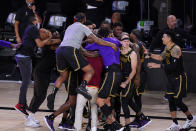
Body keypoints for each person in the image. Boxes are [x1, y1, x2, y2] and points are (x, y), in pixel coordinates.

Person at [43, 12, 118, 131]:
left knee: (69, 95)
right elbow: (96, 41)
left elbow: (83, 51)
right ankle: (81, 89)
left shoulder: (69, 29)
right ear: (84, 20)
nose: (91, 31)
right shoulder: (82, 28)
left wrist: (93, 52)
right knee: (89, 71)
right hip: (73, 70)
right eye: (90, 29)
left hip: (61, 53)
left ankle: (54, 94)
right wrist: (110, 45)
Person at [146, 30, 196, 131]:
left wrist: (157, 66)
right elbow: (160, 57)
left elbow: (174, 66)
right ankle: (175, 124)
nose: (162, 38)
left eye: (163, 37)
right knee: (171, 101)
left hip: (179, 78)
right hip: (170, 78)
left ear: (169, 38)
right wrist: (149, 54)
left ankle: (191, 118)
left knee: (178, 101)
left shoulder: (175, 49)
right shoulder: (167, 47)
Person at [14, 17, 61, 118]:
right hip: (41, 72)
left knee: (39, 95)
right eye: (44, 31)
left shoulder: (50, 42)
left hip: (45, 72)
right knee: (40, 95)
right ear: (42, 36)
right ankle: (30, 115)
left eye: (47, 30)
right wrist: (58, 38)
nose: (46, 31)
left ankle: (30, 115)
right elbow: (55, 42)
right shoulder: (48, 43)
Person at [85, 27, 124, 131]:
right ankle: (110, 124)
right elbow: (121, 43)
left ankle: (116, 125)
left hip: (111, 73)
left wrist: (89, 40)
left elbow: (86, 49)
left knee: (99, 100)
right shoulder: (115, 40)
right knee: (107, 100)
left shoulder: (99, 42)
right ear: (109, 33)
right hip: (118, 73)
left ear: (99, 36)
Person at [119, 36, 151, 130]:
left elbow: (133, 71)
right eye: (124, 41)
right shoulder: (120, 51)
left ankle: (127, 125)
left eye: (127, 41)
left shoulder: (132, 53)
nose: (126, 42)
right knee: (129, 101)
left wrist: (126, 82)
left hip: (129, 79)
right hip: (122, 78)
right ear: (121, 42)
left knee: (124, 100)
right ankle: (143, 117)